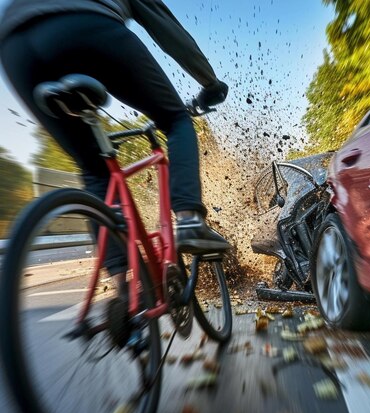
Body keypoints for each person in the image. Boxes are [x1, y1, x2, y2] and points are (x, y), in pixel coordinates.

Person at [0, 0, 231, 258]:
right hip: (87, 23)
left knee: (94, 168)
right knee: (176, 120)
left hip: (14, 47)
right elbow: (167, 30)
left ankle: (122, 287)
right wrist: (210, 83)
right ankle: (189, 221)